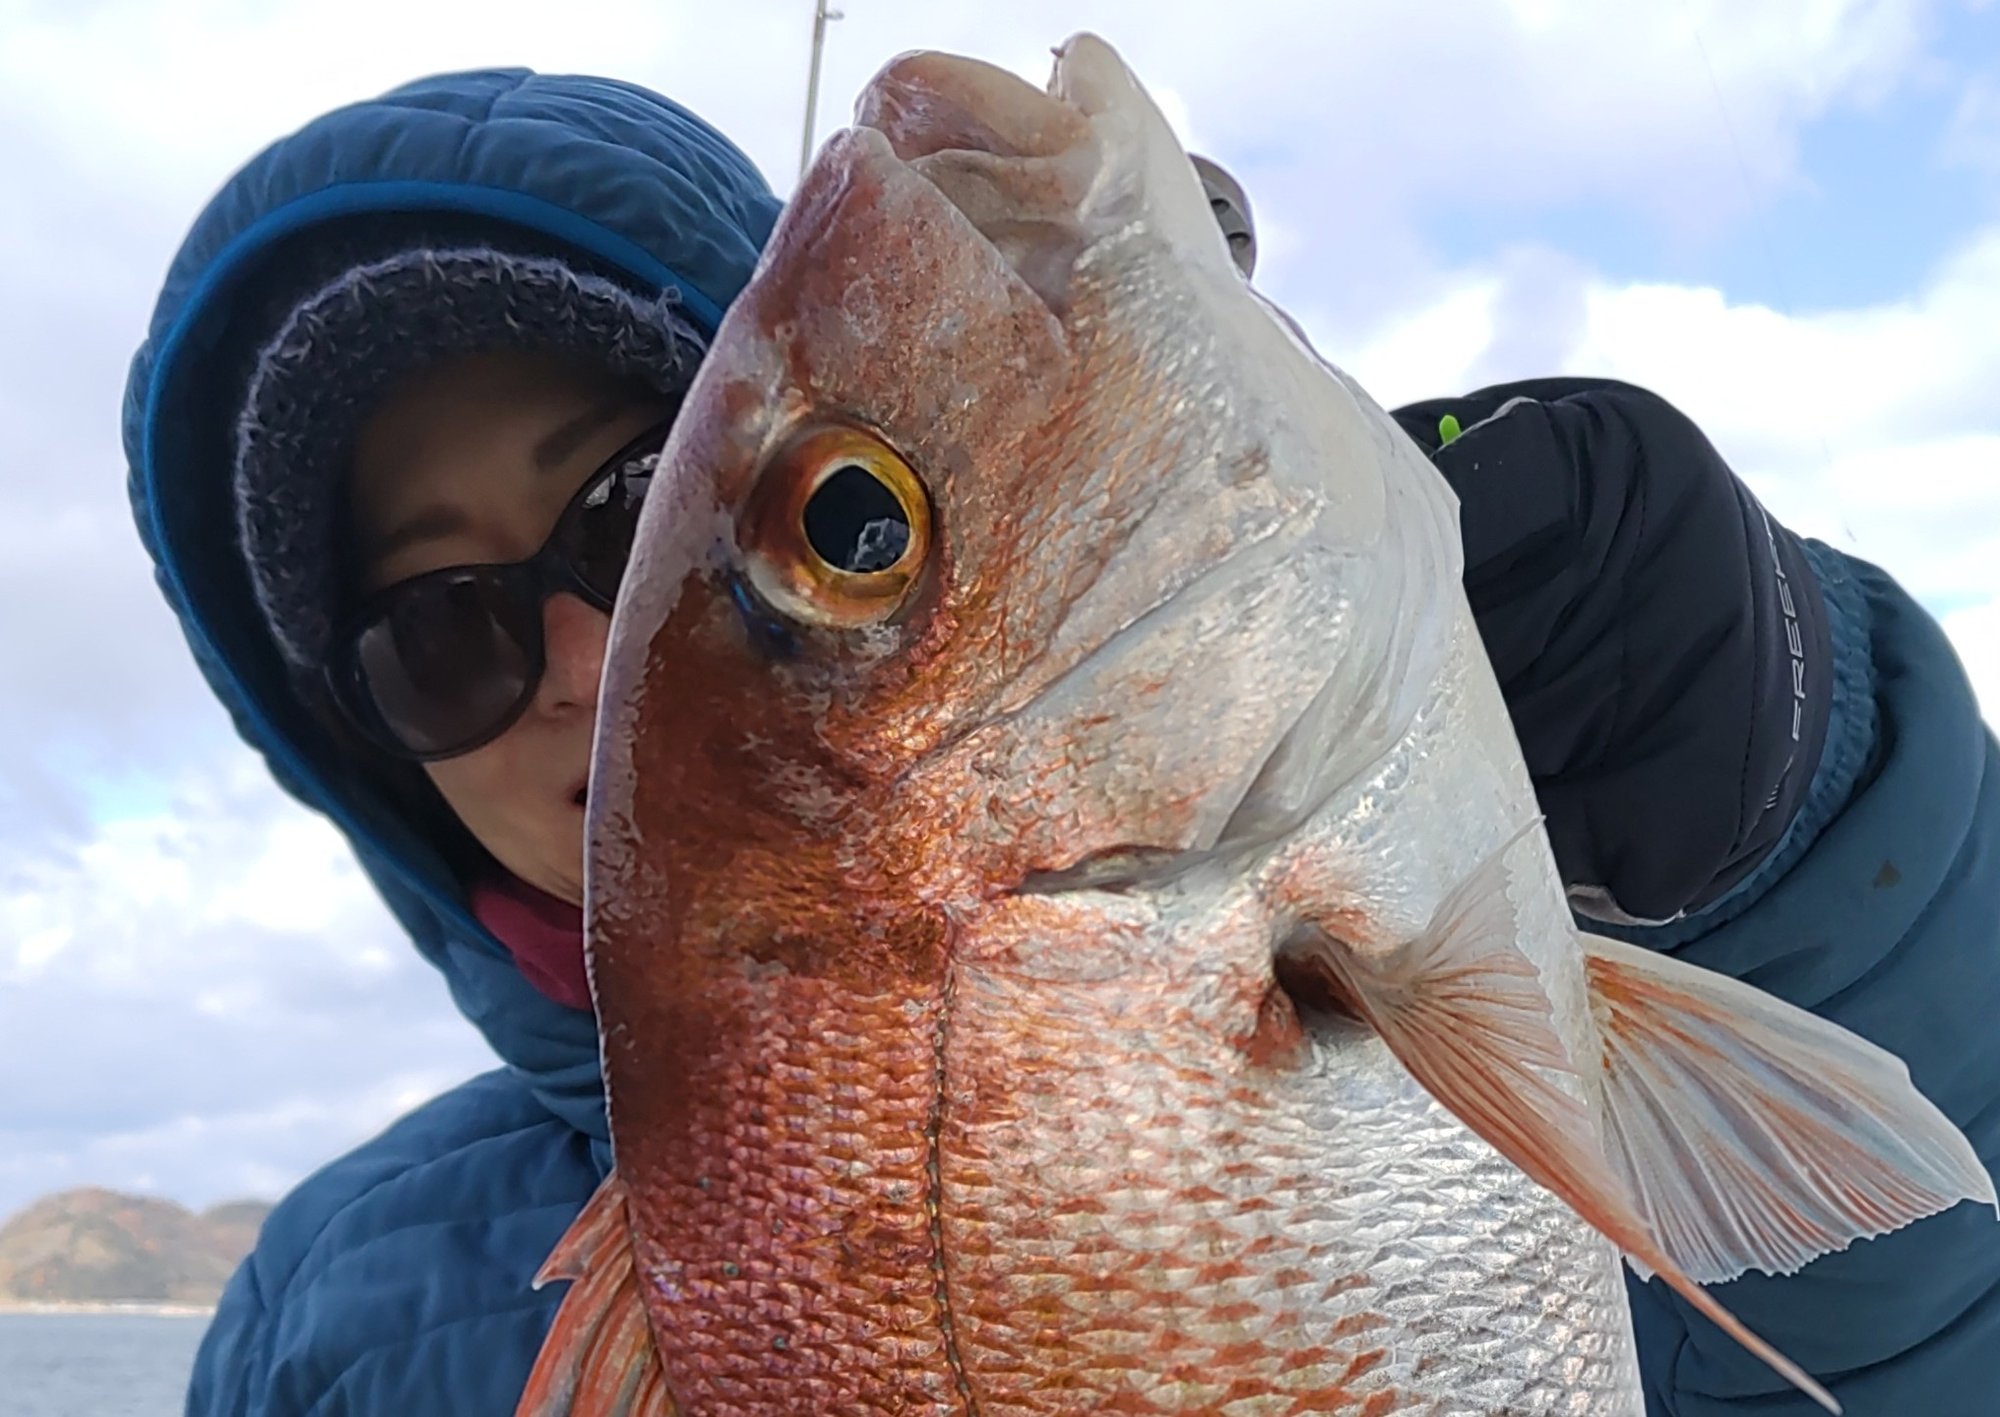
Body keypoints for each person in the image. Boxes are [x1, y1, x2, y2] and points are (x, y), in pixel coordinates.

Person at [123, 64, 1997, 1417]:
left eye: (635, 509)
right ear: (369, 751)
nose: (579, 657)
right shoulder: (317, 1328)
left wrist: (1802, 822)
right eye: (433, 632)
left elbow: (1918, 1319)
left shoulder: (1579, 884)